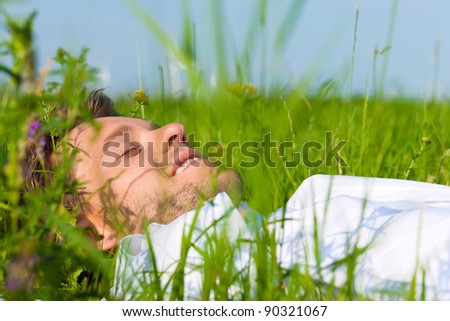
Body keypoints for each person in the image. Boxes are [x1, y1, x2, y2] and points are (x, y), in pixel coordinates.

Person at [21, 90, 450, 300]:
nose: (174, 129)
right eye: (127, 149)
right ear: (94, 234)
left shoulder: (316, 198)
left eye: (153, 127)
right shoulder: (179, 285)